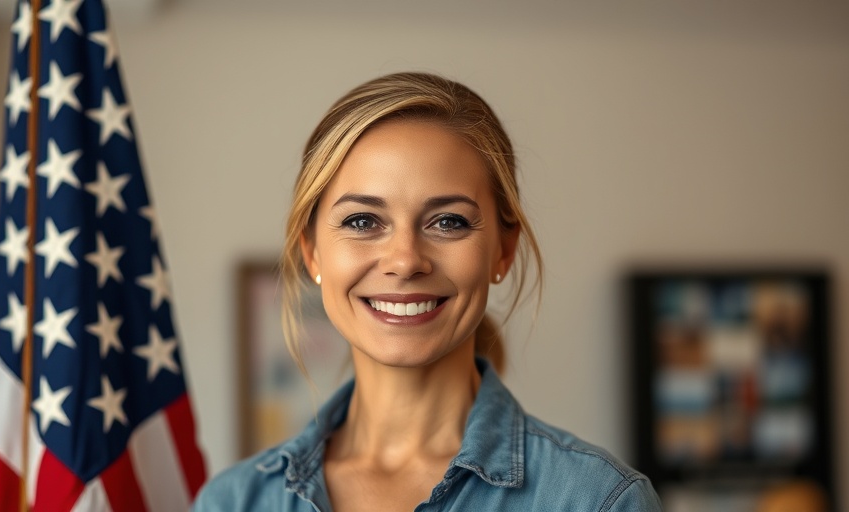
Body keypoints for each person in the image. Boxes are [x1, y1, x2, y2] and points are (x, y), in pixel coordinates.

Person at [193, 72, 662, 511]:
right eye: (362, 221)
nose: (405, 260)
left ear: (503, 251)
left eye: (448, 221)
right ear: (312, 253)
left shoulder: (597, 501)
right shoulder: (233, 501)